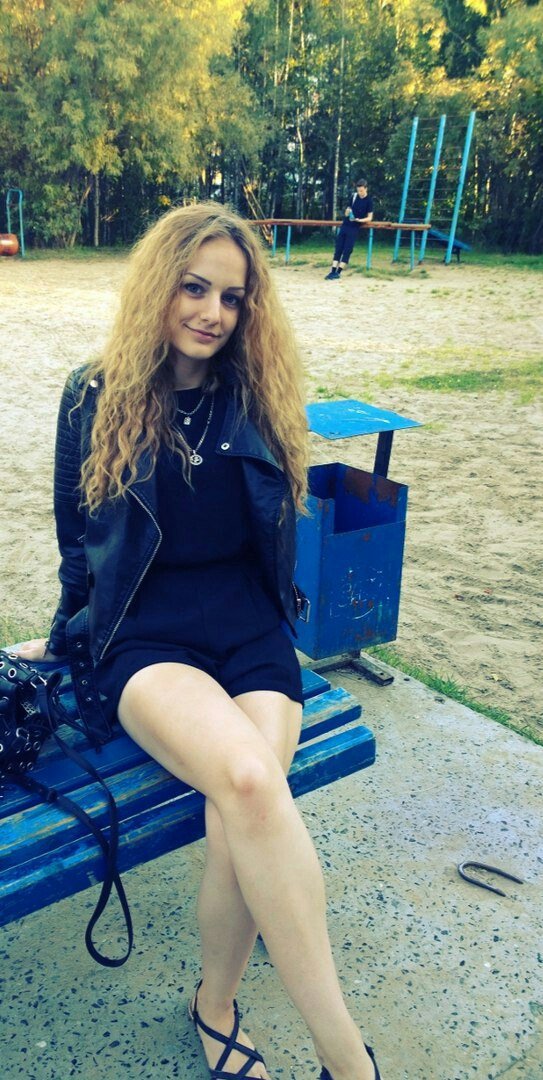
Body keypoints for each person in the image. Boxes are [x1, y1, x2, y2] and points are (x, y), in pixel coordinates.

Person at [16, 203, 381, 1080]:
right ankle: (349, 1060)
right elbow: (78, 539)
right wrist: (65, 635)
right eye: (193, 287)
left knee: (239, 814)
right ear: (159, 285)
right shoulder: (93, 393)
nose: (212, 312)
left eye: (231, 296)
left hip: (249, 630)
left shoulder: (255, 389)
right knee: (251, 781)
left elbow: (274, 529)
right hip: (148, 636)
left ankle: (214, 1005)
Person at [325, 179, 374, 279]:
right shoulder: (354, 196)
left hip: (355, 227)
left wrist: (360, 220)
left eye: (361, 191)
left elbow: (370, 218)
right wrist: (347, 212)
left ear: (366, 189)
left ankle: (338, 272)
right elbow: (346, 213)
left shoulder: (369, 201)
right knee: (338, 247)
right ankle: (332, 271)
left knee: (347, 249)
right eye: (358, 190)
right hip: (345, 225)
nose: (360, 193)